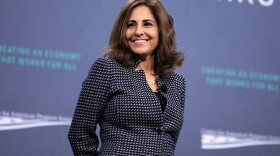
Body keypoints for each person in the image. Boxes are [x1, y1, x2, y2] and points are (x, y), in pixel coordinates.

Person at [68, 0, 186, 155]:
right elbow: (79, 133)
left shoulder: (177, 82)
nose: (138, 31)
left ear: (162, 30)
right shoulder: (107, 69)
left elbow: (170, 140)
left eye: (147, 24)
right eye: (131, 25)